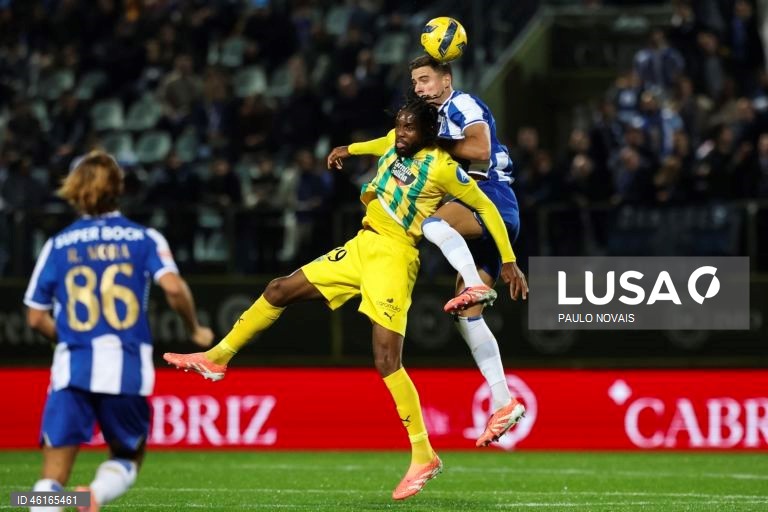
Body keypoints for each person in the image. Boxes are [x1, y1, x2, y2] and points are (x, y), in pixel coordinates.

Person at [163, 97, 525, 500]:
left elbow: (487, 208)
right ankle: (217, 359)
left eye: (409, 128)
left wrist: (507, 260)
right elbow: (376, 143)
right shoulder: (394, 142)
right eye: (399, 126)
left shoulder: (442, 167)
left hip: (394, 256)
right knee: (278, 289)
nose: (401, 134)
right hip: (361, 246)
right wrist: (345, 151)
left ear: (426, 133)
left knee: (387, 359)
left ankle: (423, 454)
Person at [23, 151, 214, 512]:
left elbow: (35, 317)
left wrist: (69, 342)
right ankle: (94, 494)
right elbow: (173, 288)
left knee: (48, 481)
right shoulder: (145, 238)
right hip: (126, 369)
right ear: (120, 188)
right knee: (128, 456)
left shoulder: (56, 245)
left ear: (74, 189)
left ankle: (43, 503)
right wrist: (196, 329)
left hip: (72, 369)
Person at [409, 55, 528, 447]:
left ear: (447, 79)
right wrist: (508, 258)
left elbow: (480, 148)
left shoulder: (461, 104)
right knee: (466, 315)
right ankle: (504, 401)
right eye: (415, 83)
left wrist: (433, 143)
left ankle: (475, 282)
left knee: (434, 225)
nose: (419, 88)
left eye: (426, 80)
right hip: (494, 219)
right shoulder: (435, 119)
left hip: (490, 197)